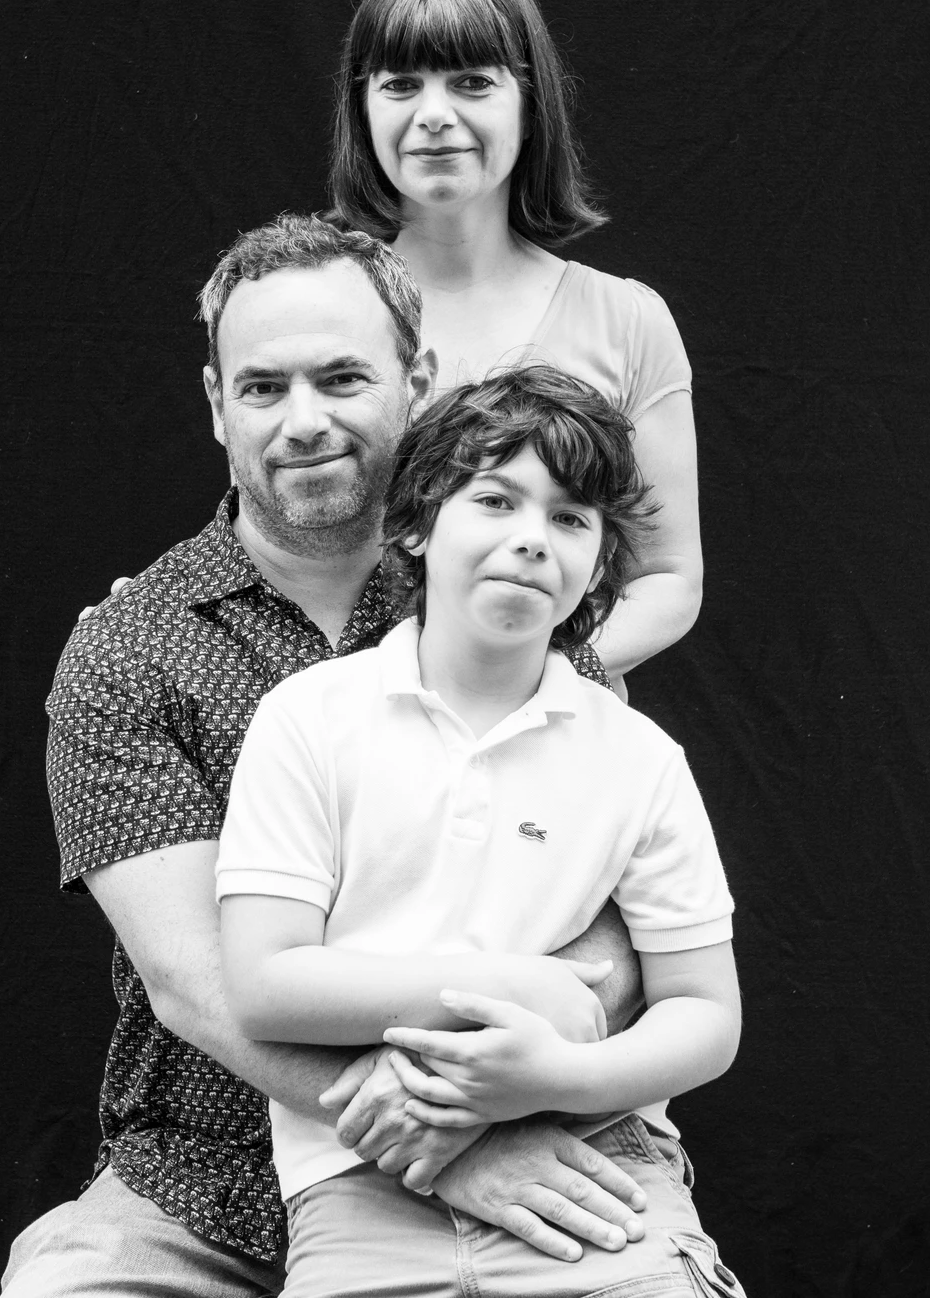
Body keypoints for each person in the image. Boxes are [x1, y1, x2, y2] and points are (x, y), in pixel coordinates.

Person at [0, 217, 649, 1297]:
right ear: (219, 405)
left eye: (342, 378)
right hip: (208, 1180)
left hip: (510, 1129)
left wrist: (466, 1110)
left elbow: (626, 929)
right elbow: (193, 982)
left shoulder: (518, 604)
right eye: (263, 388)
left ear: (417, 381)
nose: (303, 422)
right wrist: (431, 1147)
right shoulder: (128, 648)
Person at [216, 365, 744, 1298]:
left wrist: (554, 1077)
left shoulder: (640, 757)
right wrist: (508, 987)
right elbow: (265, 985)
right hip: (365, 1176)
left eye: (571, 519)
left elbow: (706, 1014)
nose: (532, 538)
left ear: (599, 564)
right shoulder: (308, 718)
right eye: (496, 500)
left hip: (599, 1165)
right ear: (418, 523)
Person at [329, 0, 703, 689]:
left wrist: (531, 675)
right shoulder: (319, 306)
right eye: (400, 84)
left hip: (561, 736)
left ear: (530, 106)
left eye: (472, 81)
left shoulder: (627, 321)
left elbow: (668, 578)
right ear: (362, 109)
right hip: (355, 727)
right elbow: (269, 532)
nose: (434, 114)